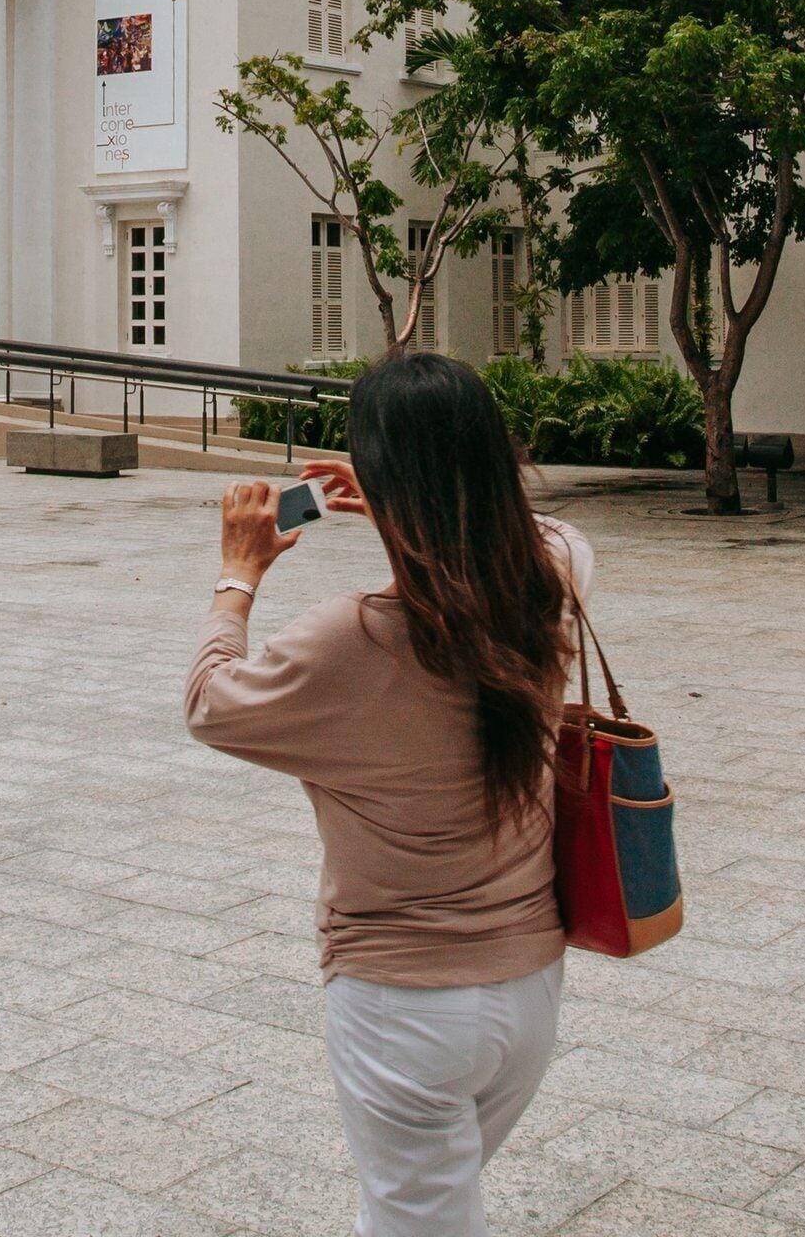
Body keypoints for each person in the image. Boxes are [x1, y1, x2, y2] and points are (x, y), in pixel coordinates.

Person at [186, 351, 591, 1237]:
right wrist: (416, 508)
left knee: (415, 1217)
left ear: (382, 477)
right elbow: (551, 535)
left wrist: (237, 574)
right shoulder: (547, 587)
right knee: (421, 1205)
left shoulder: (349, 640)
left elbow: (211, 704)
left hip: (404, 999)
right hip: (530, 984)